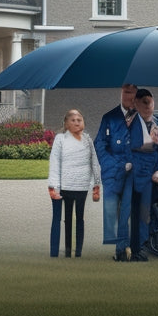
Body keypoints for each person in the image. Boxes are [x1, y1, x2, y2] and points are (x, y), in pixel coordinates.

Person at [47, 109, 101, 258]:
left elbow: (94, 162)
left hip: (82, 186)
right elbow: (55, 162)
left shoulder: (88, 140)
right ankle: (62, 251)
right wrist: (54, 186)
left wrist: (96, 184)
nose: (77, 122)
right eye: (73, 120)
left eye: (79, 120)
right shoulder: (61, 139)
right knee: (66, 219)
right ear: (66, 123)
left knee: (79, 218)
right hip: (65, 186)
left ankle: (78, 251)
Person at [95, 83, 137, 262]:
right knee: (113, 210)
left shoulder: (143, 118)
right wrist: (114, 165)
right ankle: (121, 247)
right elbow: (100, 144)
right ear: (121, 93)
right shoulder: (109, 117)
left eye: (134, 94)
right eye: (127, 93)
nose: (130, 97)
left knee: (129, 210)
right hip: (114, 171)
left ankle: (125, 248)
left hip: (134, 173)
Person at [127, 88, 158, 261]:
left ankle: (141, 247)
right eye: (144, 102)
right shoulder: (126, 124)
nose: (148, 106)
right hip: (128, 175)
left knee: (144, 212)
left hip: (147, 176)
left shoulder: (157, 126)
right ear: (136, 104)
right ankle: (124, 248)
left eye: (150, 102)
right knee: (125, 213)